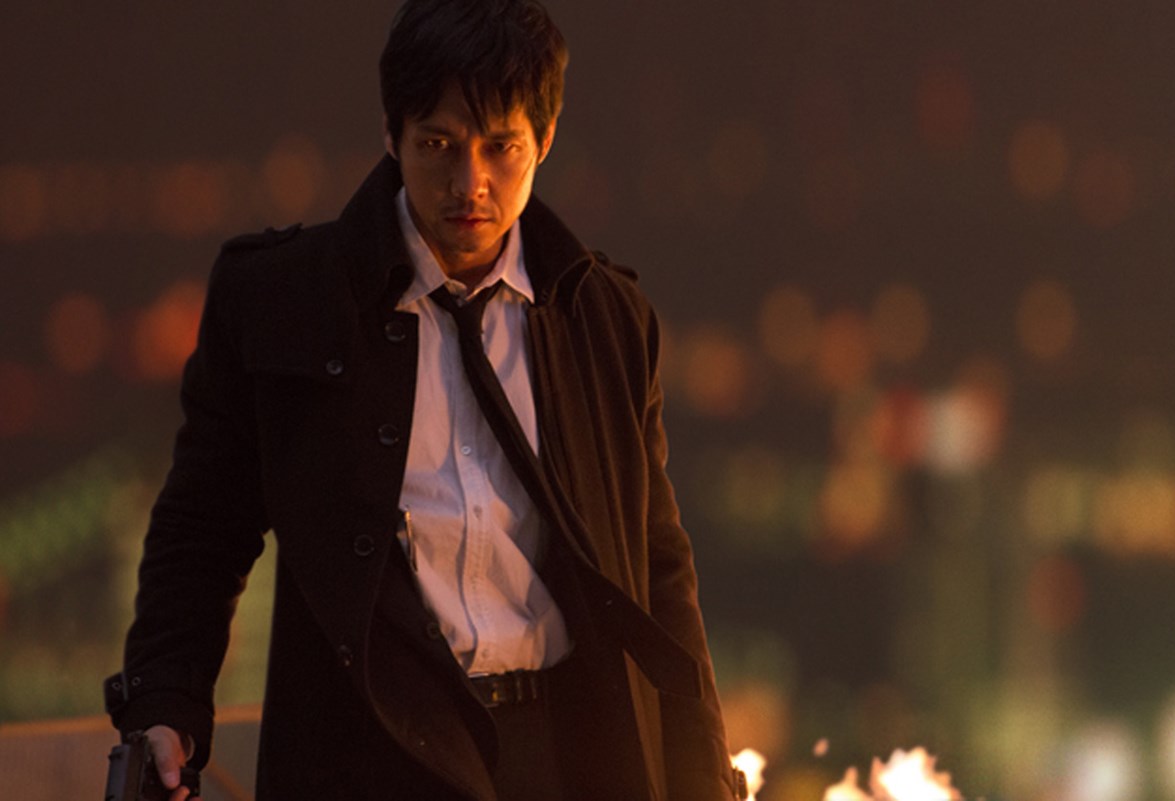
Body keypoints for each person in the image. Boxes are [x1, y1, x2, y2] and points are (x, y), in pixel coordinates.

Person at [104, 1, 739, 799]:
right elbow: (203, 528)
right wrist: (165, 704)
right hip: (373, 755)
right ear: (390, 132)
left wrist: (702, 771)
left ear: (545, 138)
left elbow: (655, 563)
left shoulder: (603, 317)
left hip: (568, 751)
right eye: (438, 144)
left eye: (501, 146)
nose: (469, 183)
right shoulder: (285, 301)